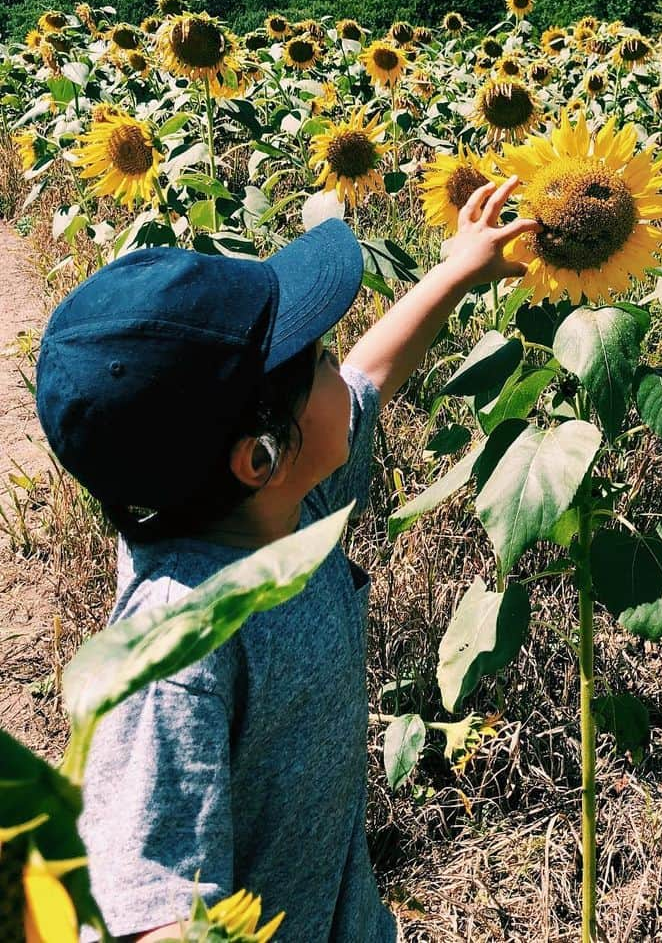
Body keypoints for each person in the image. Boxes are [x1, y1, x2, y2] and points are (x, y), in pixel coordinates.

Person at [35, 178, 537, 943]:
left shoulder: (271, 508)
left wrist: (455, 271)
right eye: (319, 360)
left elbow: (372, 376)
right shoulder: (176, 653)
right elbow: (146, 903)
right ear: (258, 455)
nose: (346, 371)